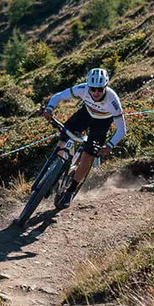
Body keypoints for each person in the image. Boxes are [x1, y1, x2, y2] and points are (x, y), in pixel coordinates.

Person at [41, 67, 126, 208]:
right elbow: (59, 96)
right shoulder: (82, 89)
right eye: (93, 89)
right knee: (64, 136)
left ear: (106, 86)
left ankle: (70, 191)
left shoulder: (113, 101)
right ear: (88, 87)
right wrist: (49, 108)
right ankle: (57, 170)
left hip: (102, 122)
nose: (96, 93)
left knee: (88, 156)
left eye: (100, 89)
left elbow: (122, 129)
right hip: (85, 114)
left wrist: (109, 145)